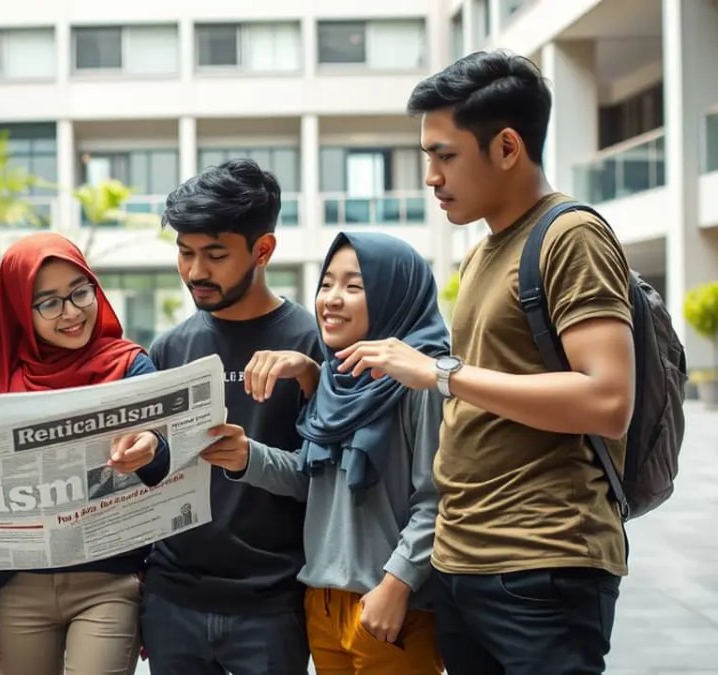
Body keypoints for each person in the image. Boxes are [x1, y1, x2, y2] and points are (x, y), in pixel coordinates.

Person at [336, 50, 634, 674]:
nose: (431, 176)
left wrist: (439, 372)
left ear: (505, 147)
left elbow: (608, 401)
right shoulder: (481, 254)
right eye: (428, 158)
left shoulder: (569, 235)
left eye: (445, 156)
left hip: (541, 562)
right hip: (464, 562)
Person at [203, 232, 448, 674]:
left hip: (391, 604)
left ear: (395, 293)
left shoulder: (420, 379)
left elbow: (438, 498)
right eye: (327, 284)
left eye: (354, 287)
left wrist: (397, 585)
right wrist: (245, 456)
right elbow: (311, 480)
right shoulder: (335, 380)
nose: (332, 299)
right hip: (322, 601)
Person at [141, 158, 322, 675]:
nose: (196, 272)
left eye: (215, 255)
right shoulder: (171, 347)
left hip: (271, 606)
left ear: (262, 250)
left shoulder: (308, 346)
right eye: (185, 252)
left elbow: (325, 478)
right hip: (172, 600)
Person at [0, 231, 171, 675]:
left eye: (81, 292)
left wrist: (153, 448)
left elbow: (170, 459)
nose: (72, 312)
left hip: (110, 584)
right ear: (21, 311)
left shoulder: (130, 366)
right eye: (49, 302)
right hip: (19, 589)